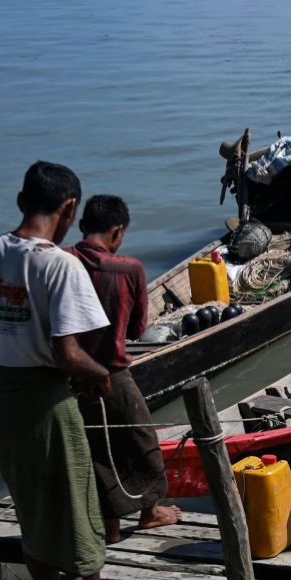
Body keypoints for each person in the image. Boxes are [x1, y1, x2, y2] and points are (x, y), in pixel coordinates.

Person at [0, 162, 137, 580]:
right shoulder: (59, 264)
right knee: (80, 513)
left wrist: (9, 363)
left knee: (33, 511)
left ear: (22, 201)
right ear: (69, 209)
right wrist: (99, 375)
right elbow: (68, 353)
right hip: (48, 403)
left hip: (4, 398)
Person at [69, 194, 182, 544]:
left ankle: (111, 527)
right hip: (110, 374)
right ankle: (150, 511)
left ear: (82, 226)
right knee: (141, 441)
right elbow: (136, 330)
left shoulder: (61, 262)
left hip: (67, 375)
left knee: (92, 451)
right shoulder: (128, 268)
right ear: (117, 231)